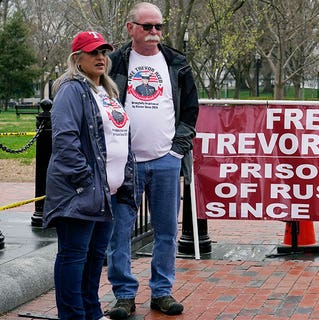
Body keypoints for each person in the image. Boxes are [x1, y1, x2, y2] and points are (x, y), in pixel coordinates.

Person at [106, 2, 199, 318]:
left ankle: (162, 292)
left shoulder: (177, 63)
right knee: (120, 231)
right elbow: (103, 108)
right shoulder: (115, 62)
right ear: (131, 27)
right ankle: (123, 295)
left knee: (166, 231)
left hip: (166, 161)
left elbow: (190, 111)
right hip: (125, 164)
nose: (155, 33)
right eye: (148, 27)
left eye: (159, 26)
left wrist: (176, 150)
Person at [43, 31, 136, 320]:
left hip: (106, 194)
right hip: (81, 193)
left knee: (96, 258)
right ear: (77, 58)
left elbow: (121, 138)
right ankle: (73, 316)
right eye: (93, 52)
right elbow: (65, 140)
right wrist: (86, 181)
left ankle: (91, 312)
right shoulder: (72, 89)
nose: (100, 58)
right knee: (74, 257)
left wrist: (123, 181)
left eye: (104, 52)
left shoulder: (108, 92)